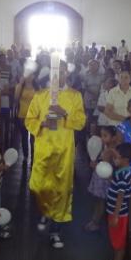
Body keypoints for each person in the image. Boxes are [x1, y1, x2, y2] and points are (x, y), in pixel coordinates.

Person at [26, 60, 86, 249]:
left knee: (61, 187)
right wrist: (41, 123)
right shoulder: (41, 96)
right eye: (54, 72)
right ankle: (46, 209)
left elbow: (81, 122)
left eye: (61, 72)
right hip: (44, 147)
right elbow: (29, 119)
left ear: (66, 74)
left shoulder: (75, 96)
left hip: (64, 148)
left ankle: (55, 231)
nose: (58, 76)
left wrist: (65, 114)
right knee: (38, 185)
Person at [99, 142, 131, 260]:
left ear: (125, 159)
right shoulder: (122, 171)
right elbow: (113, 181)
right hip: (115, 212)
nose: (115, 160)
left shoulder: (124, 174)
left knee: (119, 243)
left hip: (119, 215)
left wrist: (115, 215)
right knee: (115, 241)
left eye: (117, 157)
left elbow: (120, 196)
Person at [85, 126, 118, 232]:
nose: (102, 138)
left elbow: (109, 167)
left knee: (102, 201)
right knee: (98, 200)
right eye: (101, 135)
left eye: (105, 136)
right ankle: (95, 220)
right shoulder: (102, 146)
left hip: (106, 180)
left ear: (113, 138)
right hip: (99, 178)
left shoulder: (113, 151)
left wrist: (97, 165)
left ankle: (96, 222)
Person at [14, 72, 37, 161]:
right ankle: (25, 155)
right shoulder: (20, 87)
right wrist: (20, 83)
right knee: (24, 136)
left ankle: (33, 154)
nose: (29, 77)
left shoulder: (36, 87)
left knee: (33, 136)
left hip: (34, 115)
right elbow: (16, 98)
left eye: (31, 75)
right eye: (27, 75)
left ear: (34, 76)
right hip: (22, 114)